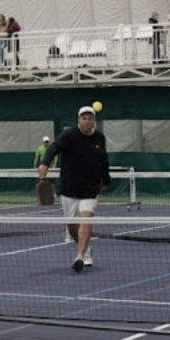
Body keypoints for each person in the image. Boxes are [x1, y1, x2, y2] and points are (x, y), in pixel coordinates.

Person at [37, 106, 111, 273]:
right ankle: (85, 248)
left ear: (94, 121)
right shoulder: (69, 135)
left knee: (86, 220)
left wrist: (106, 180)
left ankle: (80, 256)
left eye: (90, 118)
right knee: (71, 227)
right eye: (84, 118)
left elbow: (103, 160)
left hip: (90, 188)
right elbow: (54, 148)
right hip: (69, 187)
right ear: (79, 120)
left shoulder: (99, 138)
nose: (87, 121)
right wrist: (45, 164)